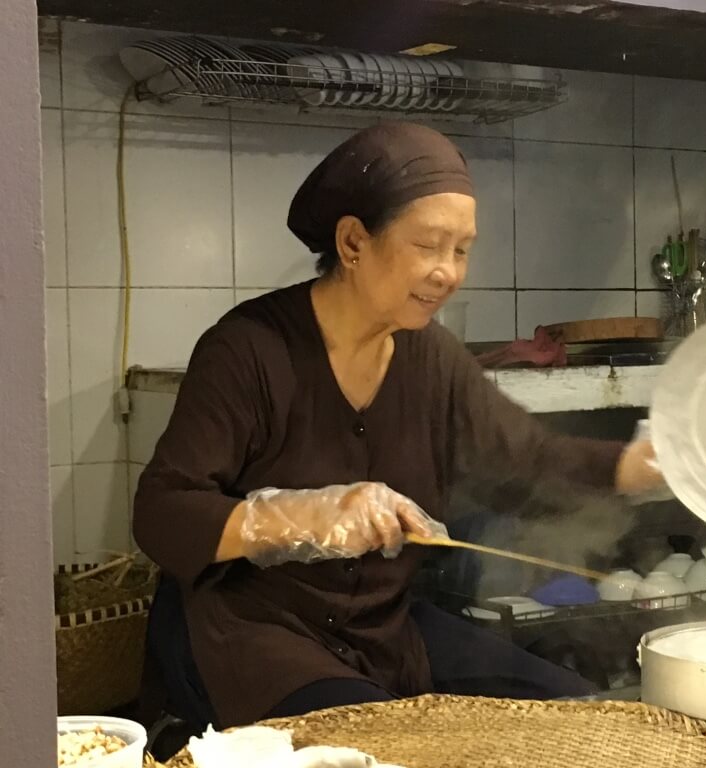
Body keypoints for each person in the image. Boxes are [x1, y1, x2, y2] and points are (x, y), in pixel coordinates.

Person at [134, 122, 666, 730]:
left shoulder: (430, 356)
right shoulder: (249, 350)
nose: (449, 272)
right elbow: (161, 512)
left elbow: (526, 462)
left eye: (461, 249)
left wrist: (639, 464)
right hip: (256, 638)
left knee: (574, 716)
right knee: (385, 747)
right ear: (354, 242)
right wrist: (303, 517)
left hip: (386, 634)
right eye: (429, 245)